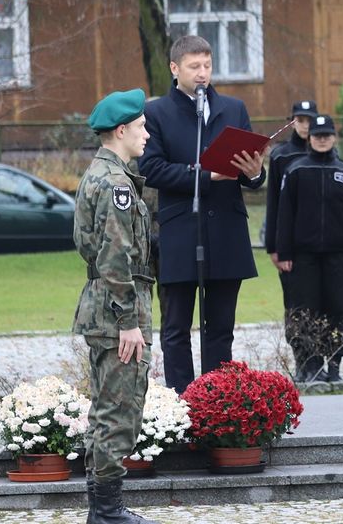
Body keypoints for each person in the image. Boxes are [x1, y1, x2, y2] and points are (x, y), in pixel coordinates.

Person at [138, 34, 266, 392]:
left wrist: (254, 172)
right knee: (176, 327)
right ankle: (181, 402)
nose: (202, 73)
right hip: (181, 231)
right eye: (194, 66)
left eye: (207, 65)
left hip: (226, 230)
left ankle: (217, 401)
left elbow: (250, 173)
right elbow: (151, 169)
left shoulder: (234, 108)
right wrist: (205, 175)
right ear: (175, 68)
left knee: (221, 326)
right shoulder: (156, 112)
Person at [73, 88, 157, 524]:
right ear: (121, 130)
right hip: (116, 314)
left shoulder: (108, 176)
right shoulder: (115, 184)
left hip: (109, 309)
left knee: (111, 407)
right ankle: (105, 511)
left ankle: (103, 508)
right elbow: (113, 258)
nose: (146, 133)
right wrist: (128, 321)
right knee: (116, 411)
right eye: (141, 126)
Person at [275, 114, 343, 383]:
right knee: (305, 310)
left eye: (327, 135)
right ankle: (309, 365)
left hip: (338, 257)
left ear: (334, 137)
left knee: (337, 309)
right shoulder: (296, 170)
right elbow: (284, 216)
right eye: (318, 135)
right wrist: (284, 253)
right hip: (303, 258)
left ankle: (334, 363)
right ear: (310, 138)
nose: (323, 139)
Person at [264, 99, 317, 265]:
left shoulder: (328, 154)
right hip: (290, 238)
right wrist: (272, 246)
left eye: (310, 121)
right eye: (300, 120)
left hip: (321, 237)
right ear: (292, 123)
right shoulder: (280, 155)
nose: (305, 126)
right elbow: (273, 201)